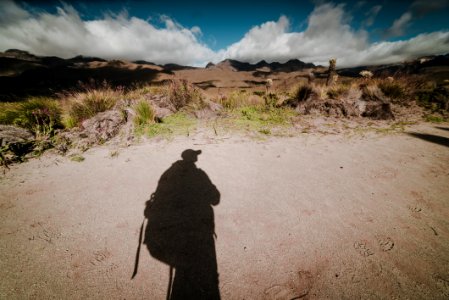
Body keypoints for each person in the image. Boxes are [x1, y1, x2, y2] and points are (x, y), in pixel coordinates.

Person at [144, 149, 221, 300]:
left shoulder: (168, 173)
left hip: (170, 231)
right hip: (194, 230)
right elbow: (215, 199)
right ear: (194, 159)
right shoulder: (200, 175)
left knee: (183, 273)